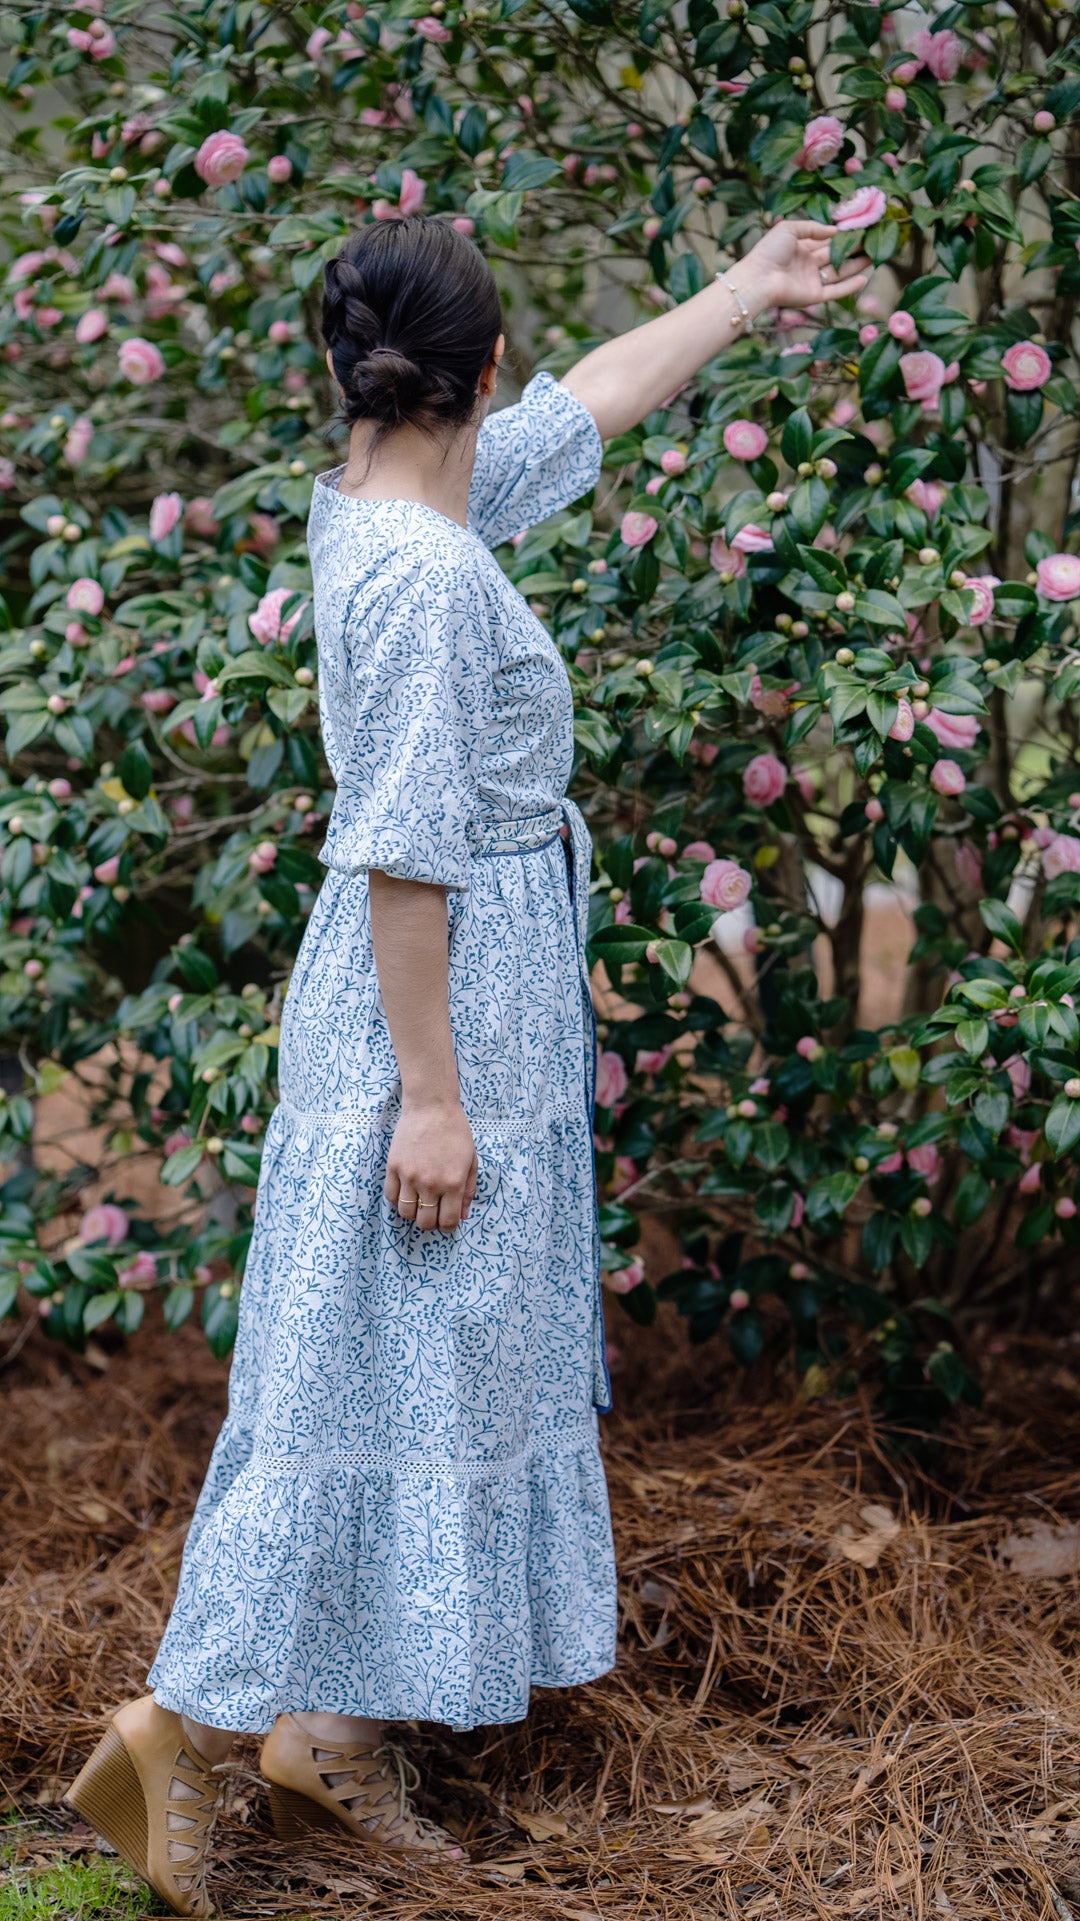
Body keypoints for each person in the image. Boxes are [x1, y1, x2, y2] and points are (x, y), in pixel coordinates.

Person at [65, 213, 866, 1916]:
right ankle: (182, 1730)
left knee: (406, 1361)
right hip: (433, 1007)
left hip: (454, 997)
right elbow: (406, 848)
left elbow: (590, 409)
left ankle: (330, 1732)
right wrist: (430, 1096)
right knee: (351, 1365)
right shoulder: (429, 576)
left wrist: (743, 294)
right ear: (474, 368)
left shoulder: (385, 498)